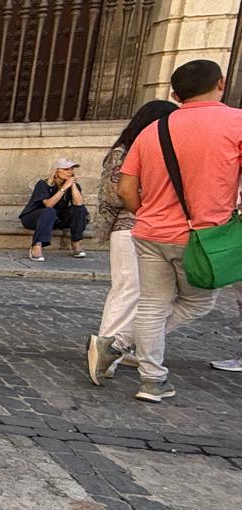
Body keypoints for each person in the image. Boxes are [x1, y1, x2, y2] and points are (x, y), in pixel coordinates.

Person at [114, 59, 242, 402]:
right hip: (205, 236)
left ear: (175, 93)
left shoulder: (153, 129)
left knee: (152, 306)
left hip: (150, 232)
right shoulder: (236, 123)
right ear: (220, 83)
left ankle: (151, 379)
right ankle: (123, 347)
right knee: (199, 302)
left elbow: (126, 189)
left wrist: (151, 215)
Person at [86, 100, 175, 385]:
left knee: (140, 293)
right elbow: (117, 193)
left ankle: (120, 347)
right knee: (128, 290)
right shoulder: (124, 152)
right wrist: (145, 210)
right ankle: (107, 350)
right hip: (131, 228)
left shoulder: (146, 150)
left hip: (145, 228)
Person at [20, 158, 89, 262]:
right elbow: (49, 204)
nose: (70, 172)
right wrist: (64, 188)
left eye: (72, 169)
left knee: (80, 210)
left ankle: (76, 242)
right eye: (66, 169)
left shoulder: (71, 185)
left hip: (56, 218)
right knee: (49, 211)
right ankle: (36, 246)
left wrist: (73, 184)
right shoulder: (43, 184)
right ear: (56, 171)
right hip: (34, 217)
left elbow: (79, 204)